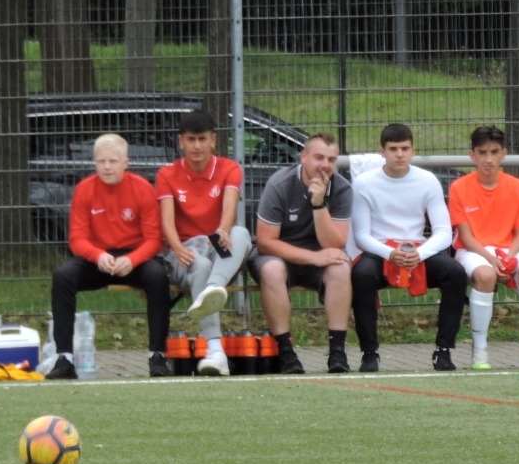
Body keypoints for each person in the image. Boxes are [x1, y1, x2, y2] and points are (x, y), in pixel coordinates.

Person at [49, 133, 170, 379]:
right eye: (101, 161)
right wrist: (98, 256)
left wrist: (133, 260)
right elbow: (77, 239)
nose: (107, 167)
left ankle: (157, 356)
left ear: (125, 162)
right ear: (94, 162)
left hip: (133, 258)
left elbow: (154, 239)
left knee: (157, 277)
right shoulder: (84, 189)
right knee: (63, 277)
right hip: (97, 258)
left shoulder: (142, 189)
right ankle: (65, 359)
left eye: (113, 161)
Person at [350, 122, 468, 372]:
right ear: (382, 152)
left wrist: (420, 254)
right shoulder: (364, 183)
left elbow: (444, 232)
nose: (399, 154)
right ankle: (369, 353)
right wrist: (389, 253)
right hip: (379, 250)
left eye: (405, 148)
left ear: (413, 151)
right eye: (393, 149)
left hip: (417, 250)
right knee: (360, 276)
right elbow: (361, 235)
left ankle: (443, 350)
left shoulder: (427, 181)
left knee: (455, 274)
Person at [449, 124, 519, 370]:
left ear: (503, 153)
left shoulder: (517, 186)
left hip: (508, 249)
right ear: (472, 155)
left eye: (494, 152)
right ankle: (480, 352)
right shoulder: (459, 188)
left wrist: (509, 256)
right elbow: (465, 236)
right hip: (473, 251)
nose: (488, 159)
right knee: (485, 275)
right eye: (482, 153)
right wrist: (491, 258)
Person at [155, 109, 251, 376]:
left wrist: (222, 230)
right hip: (185, 252)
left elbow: (230, 208)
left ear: (213, 140)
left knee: (240, 233)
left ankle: (211, 289)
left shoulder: (229, 168)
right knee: (199, 264)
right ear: (181, 142)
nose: (197, 146)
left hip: (215, 249)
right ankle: (215, 350)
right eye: (191, 139)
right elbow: (167, 222)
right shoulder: (167, 174)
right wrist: (177, 248)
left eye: (202, 139)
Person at [252, 132, 354, 374]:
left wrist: (319, 204)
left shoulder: (342, 188)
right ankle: (286, 352)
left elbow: (334, 243)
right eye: (319, 157)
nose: (325, 165)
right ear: (303, 157)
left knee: (340, 267)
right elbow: (266, 242)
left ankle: (337, 352)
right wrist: (313, 257)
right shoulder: (280, 184)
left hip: (319, 257)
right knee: (272, 270)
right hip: (279, 255)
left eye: (331, 159)